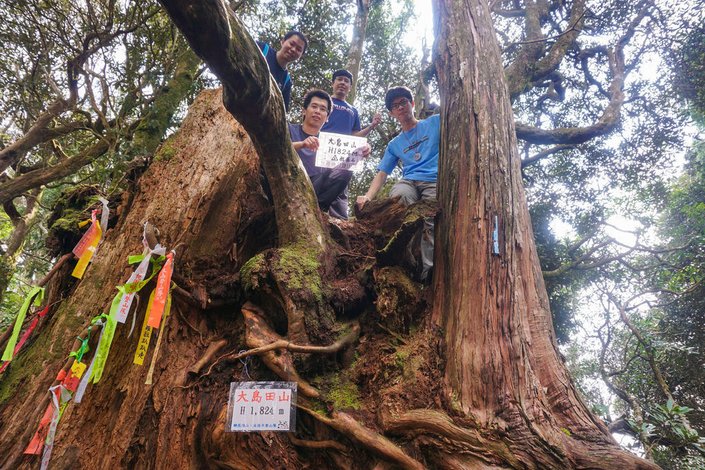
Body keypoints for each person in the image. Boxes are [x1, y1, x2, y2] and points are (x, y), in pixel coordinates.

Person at [356, 86, 439, 280]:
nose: (400, 107)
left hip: (434, 180)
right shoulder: (394, 144)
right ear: (392, 113)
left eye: (403, 102)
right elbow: (382, 173)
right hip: (409, 181)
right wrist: (367, 197)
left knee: (430, 218)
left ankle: (428, 273)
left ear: (412, 104)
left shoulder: (435, 123)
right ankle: (406, 261)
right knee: (399, 199)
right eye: (395, 106)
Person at [290, 89, 371, 212]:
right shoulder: (288, 129)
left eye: (323, 109)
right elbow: (273, 147)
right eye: (314, 106)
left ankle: (318, 210)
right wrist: (302, 144)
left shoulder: (329, 141)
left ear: (327, 117)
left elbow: (338, 171)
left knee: (346, 167)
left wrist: (362, 150)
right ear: (304, 111)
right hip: (288, 180)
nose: (318, 111)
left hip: (314, 188)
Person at [321, 69, 382, 219]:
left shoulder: (352, 110)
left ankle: (340, 222)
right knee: (318, 179)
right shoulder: (324, 102)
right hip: (321, 150)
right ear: (333, 83)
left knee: (341, 185)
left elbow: (355, 135)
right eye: (339, 79)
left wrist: (371, 126)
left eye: (346, 81)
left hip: (341, 154)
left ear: (350, 87)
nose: (342, 83)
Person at [257, 31, 308, 111]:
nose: (293, 49)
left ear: (301, 55)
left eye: (298, 49)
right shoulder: (262, 49)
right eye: (291, 44)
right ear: (283, 41)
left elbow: (281, 110)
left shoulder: (286, 82)